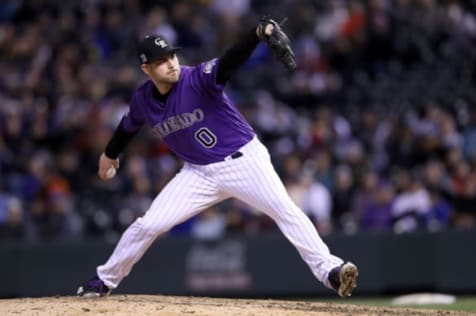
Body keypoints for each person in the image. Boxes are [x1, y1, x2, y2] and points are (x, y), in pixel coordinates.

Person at [77, 18, 358, 298]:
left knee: (285, 210)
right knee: (149, 224)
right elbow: (128, 127)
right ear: (146, 68)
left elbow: (228, 63)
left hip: (243, 161)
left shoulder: (197, 78)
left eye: (172, 55)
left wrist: (256, 34)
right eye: (161, 60)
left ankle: (330, 271)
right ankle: (103, 281)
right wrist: (110, 154)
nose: (171, 62)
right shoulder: (142, 99)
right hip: (197, 173)